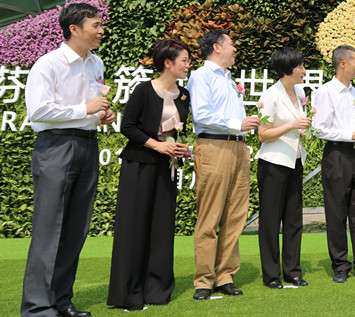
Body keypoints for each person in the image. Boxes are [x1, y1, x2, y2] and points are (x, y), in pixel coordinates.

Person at [22, 3, 115, 317]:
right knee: (50, 228)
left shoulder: (95, 63)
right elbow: (38, 111)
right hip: (56, 148)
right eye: (96, 25)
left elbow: (89, 106)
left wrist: (100, 114)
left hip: (87, 145)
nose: (101, 30)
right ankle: (37, 307)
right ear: (74, 29)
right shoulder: (48, 64)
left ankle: (61, 301)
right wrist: (84, 110)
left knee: (76, 228)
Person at [106, 39, 191, 311]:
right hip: (139, 166)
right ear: (167, 63)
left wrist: (180, 147)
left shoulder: (185, 95)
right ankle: (128, 294)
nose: (188, 65)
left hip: (167, 169)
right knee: (134, 228)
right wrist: (158, 145)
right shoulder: (144, 90)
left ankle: (157, 291)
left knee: (161, 229)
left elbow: (179, 129)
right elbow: (128, 127)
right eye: (184, 60)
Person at [186, 30, 261, 300]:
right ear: (217, 48)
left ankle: (225, 275)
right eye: (231, 44)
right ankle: (203, 280)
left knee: (235, 215)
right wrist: (237, 124)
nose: (235, 49)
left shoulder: (229, 78)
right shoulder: (200, 75)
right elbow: (202, 114)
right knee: (210, 215)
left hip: (238, 147)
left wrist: (242, 127)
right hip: (213, 146)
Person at [312, 45, 355, 283]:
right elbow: (319, 128)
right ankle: (340, 265)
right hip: (337, 155)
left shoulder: (354, 92)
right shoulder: (325, 92)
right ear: (343, 64)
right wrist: (350, 135)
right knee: (337, 211)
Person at [255, 48, 311, 289]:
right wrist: (292, 125)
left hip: (295, 161)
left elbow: (301, 126)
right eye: (300, 67)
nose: (304, 71)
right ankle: (271, 274)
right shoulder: (270, 96)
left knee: (293, 219)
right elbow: (262, 134)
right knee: (270, 222)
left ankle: (293, 271)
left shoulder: (299, 92)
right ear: (287, 70)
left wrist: (306, 130)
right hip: (273, 164)